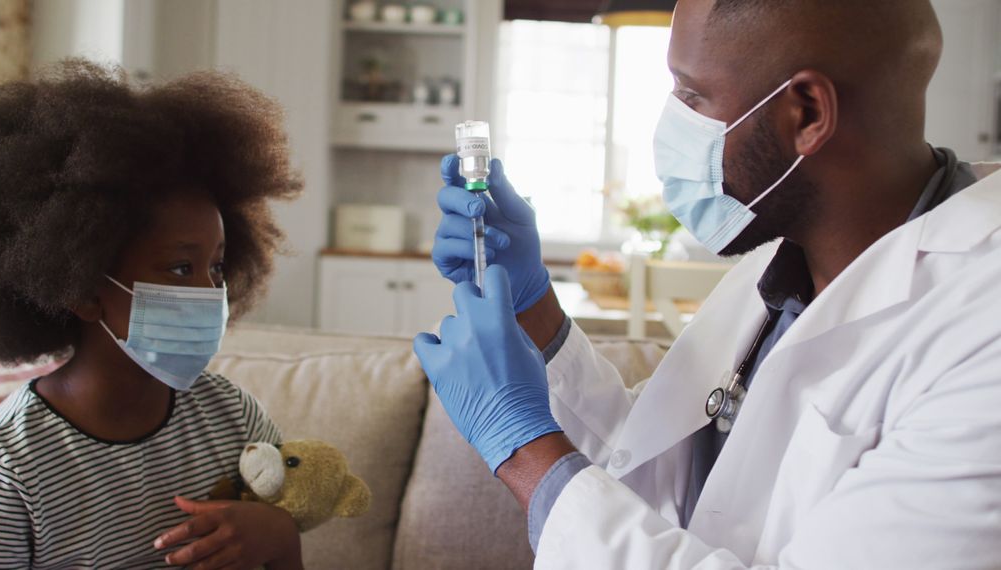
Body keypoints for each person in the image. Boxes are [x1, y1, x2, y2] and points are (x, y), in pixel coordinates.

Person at [415, 0, 1001, 567]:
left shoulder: (982, 337)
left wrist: (523, 450)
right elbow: (656, 477)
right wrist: (533, 306)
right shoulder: (778, 264)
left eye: (692, 94)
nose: (673, 119)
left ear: (807, 114)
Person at [0, 61, 306, 569]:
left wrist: (280, 537)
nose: (211, 292)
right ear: (81, 288)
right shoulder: (6, 464)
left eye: (215, 267)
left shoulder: (234, 419)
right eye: (179, 268)